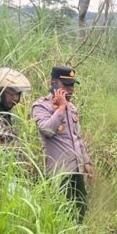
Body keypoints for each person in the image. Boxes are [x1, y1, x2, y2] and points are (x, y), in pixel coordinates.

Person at [32, 66, 94, 222]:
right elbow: (47, 130)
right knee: (60, 213)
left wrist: (86, 162)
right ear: (53, 83)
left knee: (80, 208)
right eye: (65, 85)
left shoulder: (72, 108)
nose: (70, 89)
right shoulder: (41, 106)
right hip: (58, 171)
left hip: (76, 168)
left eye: (72, 85)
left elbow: (77, 137)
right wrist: (60, 108)